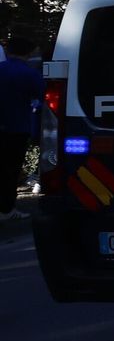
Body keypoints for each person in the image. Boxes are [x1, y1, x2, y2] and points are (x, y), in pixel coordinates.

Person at [0, 33, 45, 222]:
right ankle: (6, 210)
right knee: (10, 170)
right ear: (28, 53)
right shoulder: (30, 74)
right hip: (17, 127)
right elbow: (42, 98)